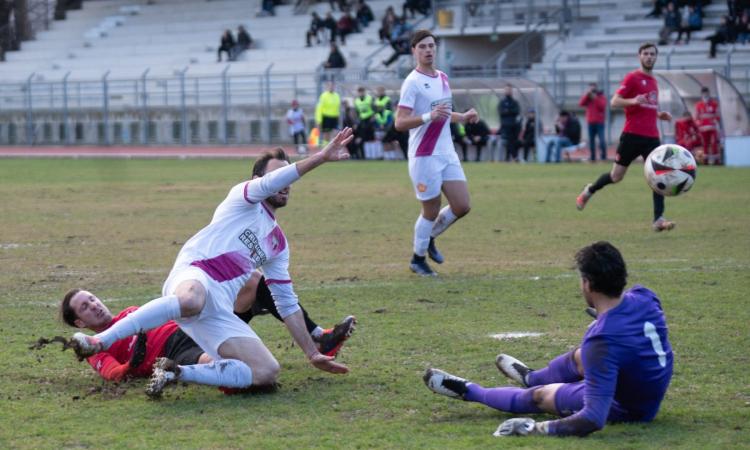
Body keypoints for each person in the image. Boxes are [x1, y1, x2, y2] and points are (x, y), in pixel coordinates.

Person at [68, 131, 356, 398]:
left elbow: (287, 303)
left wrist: (311, 353)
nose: (285, 183)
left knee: (266, 372)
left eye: (287, 177)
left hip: (218, 308)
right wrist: (320, 157)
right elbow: (268, 183)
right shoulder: (243, 198)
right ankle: (99, 341)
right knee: (192, 300)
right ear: (257, 179)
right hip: (194, 276)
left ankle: (176, 372)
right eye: (279, 175)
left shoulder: (278, 243)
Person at [424, 241, 673, 438]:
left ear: (587, 284)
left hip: (628, 406)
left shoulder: (602, 340)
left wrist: (537, 429)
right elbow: (629, 326)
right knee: (581, 356)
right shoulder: (644, 296)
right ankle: (531, 376)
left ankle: (471, 391)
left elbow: (593, 418)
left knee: (540, 396)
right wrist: (602, 317)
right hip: (647, 387)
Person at [60, 271, 356, 384]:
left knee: (254, 281)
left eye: (93, 298)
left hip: (192, 323)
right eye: (86, 307)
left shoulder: (130, 313)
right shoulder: (94, 350)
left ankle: (319, 337)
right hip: (179, 347)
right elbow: (112, 374)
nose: (95, 305)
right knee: (235, 368)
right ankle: (182, 372)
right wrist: (132, 364)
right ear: (80, 323)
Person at [395, 29, 479, 277]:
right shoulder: (412, 82)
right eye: (422, 46)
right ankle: (417, 258)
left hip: (446, 152)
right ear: (414, 51)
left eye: (431, 46)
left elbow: (442, 112)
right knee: (430, 210)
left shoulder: (442, 77)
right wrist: (427, 116)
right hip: (424, 155)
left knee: (462, 205)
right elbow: (400, 122)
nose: (428, 50)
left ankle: (428, 236)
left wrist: (462, 117)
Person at [576, 43, 675, 232]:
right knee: (616, 176)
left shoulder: (654, 81)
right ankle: (590, 190)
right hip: (631, 136)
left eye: (652, 54)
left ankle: (658, 219)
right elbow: (614, 101)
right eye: (645, 53)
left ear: (656, 57)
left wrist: (659, 114)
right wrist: (633, 100)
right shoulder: (632, 78)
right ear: (639, 56)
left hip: (652, 137)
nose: (649, 57)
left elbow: (648, 106)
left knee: (658, 176)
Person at [579, 82, 607, 161]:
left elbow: (602, 107)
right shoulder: (587, 97)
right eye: (590, 88)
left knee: (601, 140)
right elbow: (581, 103)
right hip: (590, 122)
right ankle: (593, 157)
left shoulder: (601, 96)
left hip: (599, 122)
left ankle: (603, 157)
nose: (592, 89)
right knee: (591, 141)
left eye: (593, 87)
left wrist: (595, 98)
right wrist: (587, 95)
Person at [694, 86, 721, 165]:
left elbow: (717, 115)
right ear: (701, 94)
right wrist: (698, 125)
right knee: (705, 144)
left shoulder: (714, 104)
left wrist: (715, 121)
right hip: (703, 129)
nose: (705, 94)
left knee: (714, 143)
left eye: (706, 93)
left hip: (712, 128)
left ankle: (716, 161)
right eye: (704, 93)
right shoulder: (699, 105)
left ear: (709, 93)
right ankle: (705, 161)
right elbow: (697, 117)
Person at [497, 85, 520, 162]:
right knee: (508, 141)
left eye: (509, 90)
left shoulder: (514, 102)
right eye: (506, 90)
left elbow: (516, 111)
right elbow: (501, 112)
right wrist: (509, 111)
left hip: (514, 125)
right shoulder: (502, 102)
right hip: (505, 125)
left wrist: (507, 111)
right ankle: (515, 156)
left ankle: (508, 158)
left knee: (513, 141)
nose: (508, 91)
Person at [315, 81, 342, 145]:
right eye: (329, 86)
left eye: (332, 86)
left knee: (336, 134)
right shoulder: (323, 96)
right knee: (326, 135)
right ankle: (325, 149)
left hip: (335, 118)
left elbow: (338, 108)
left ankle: (333, 148)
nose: (331, 87)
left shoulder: (337, 96)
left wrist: (338, 117)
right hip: (326, 117)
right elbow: (319, 108)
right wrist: (319, 120)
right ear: (327, 87)